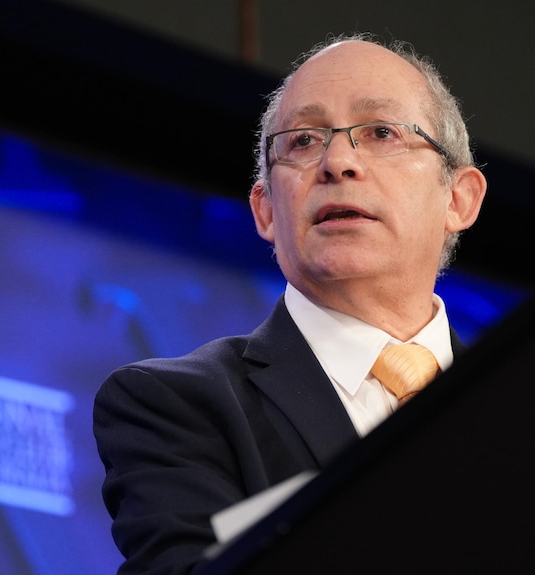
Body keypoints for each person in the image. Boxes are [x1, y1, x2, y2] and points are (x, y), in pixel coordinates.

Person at [93, 32, 487, 575]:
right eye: (302, 141)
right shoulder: (175, 406)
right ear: (266, 212)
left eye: (381, 132)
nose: (338, 162)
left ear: (459, 198)